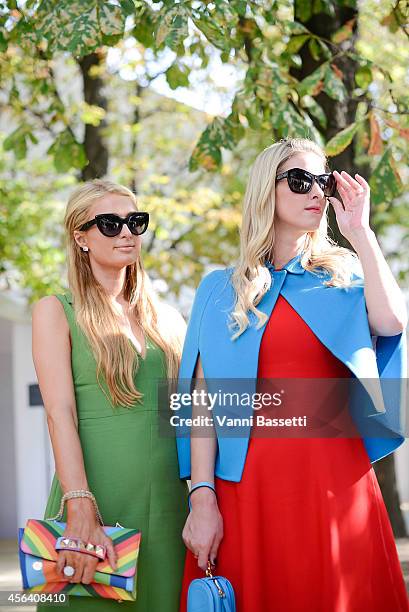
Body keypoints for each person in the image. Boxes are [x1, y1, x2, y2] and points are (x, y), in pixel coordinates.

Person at [177, 138, 409, 611]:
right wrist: (202, 496)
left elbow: (393, 323)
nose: (316, 193)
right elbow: (201, 401)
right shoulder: (220, 289)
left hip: (332, 486)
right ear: (267, 190)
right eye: (300, 180)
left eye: (322, 181)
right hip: (245, 490)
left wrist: (360, 233)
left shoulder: (343, 276)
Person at [32, 179, 188, 611]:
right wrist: (79, 502)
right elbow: (59, 413)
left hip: (170, 502)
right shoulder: (55, 310)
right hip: (96, 495)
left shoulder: (169, 320)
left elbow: (193, 413)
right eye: (110, 223)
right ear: (80, 236)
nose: (126, 232)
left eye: (135, 222)